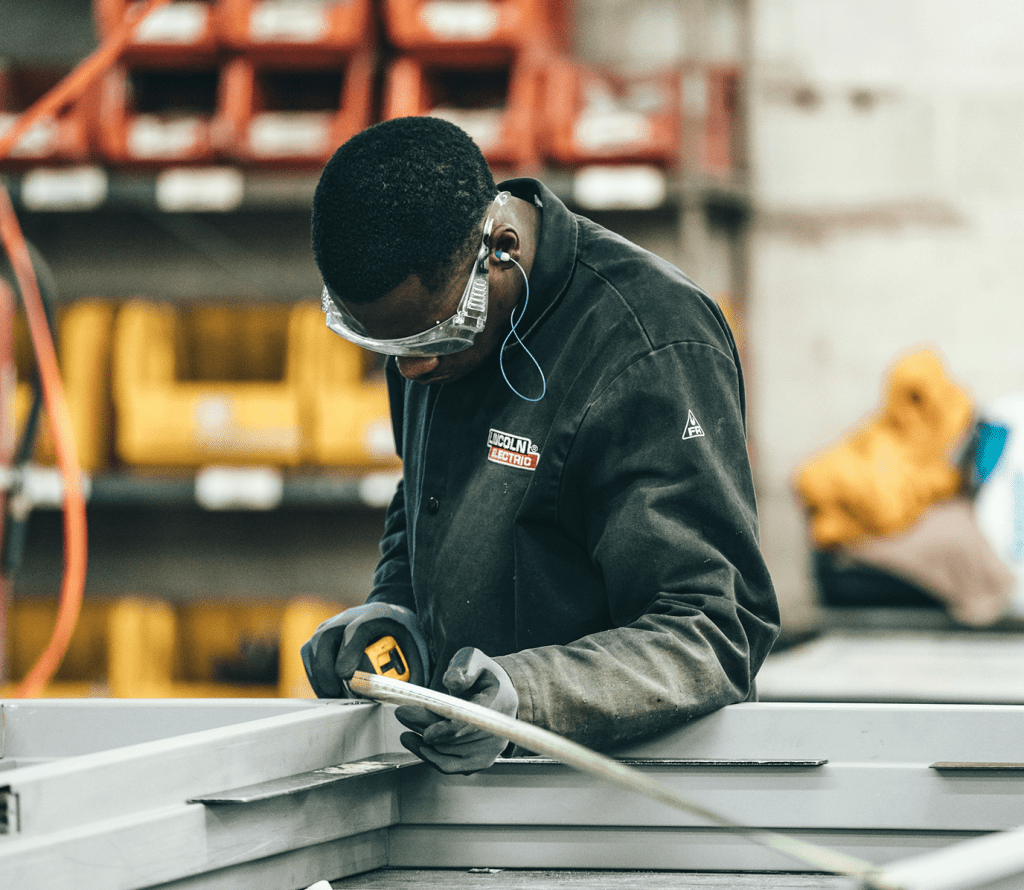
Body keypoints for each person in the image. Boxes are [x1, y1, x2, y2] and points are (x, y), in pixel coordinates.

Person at [302, 115, 779, 775]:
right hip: (471, 793)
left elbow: (711, 632)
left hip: (616, 810)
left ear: (500, 247)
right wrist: (397, 610)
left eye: (434, 340)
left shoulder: (649, 343)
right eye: (393, 349)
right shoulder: (429, 324)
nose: (412, 372)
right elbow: (427, 493)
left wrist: (529, 698)